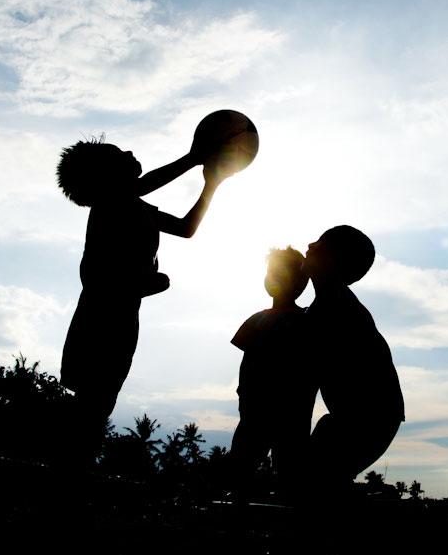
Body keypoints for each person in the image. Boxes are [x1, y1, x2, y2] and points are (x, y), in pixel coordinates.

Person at [56, 138, 223, 463]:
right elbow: (103, 282)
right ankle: (69, 479)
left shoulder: (133, 206)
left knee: (98, 409)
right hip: (97, 324)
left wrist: (211, 186)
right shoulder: (110, 204)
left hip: (121, 323)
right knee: (90, 410)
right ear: (107, 178)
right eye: (120, 155)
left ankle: (73, 476)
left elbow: (186, 228)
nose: (131, 153)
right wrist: (191, 158)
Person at [302, 225, 404, 494]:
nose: (310, 244)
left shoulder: (334, 311)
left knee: (316, 480)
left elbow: (304, 387)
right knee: (319, 477)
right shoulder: (327, 307)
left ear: (333, 261)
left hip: (369, 418)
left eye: (320, 244)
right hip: (365, 417)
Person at [229, 246, 315, 501]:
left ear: (302, 282)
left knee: (289, 467)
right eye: (272, 272)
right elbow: (248, 363)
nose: (275, 278)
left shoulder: (307, 321)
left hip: (291, 410)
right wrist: (244, 393)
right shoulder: (258, 320)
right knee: (244, 461)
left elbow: (310, 367)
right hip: (255, 407)